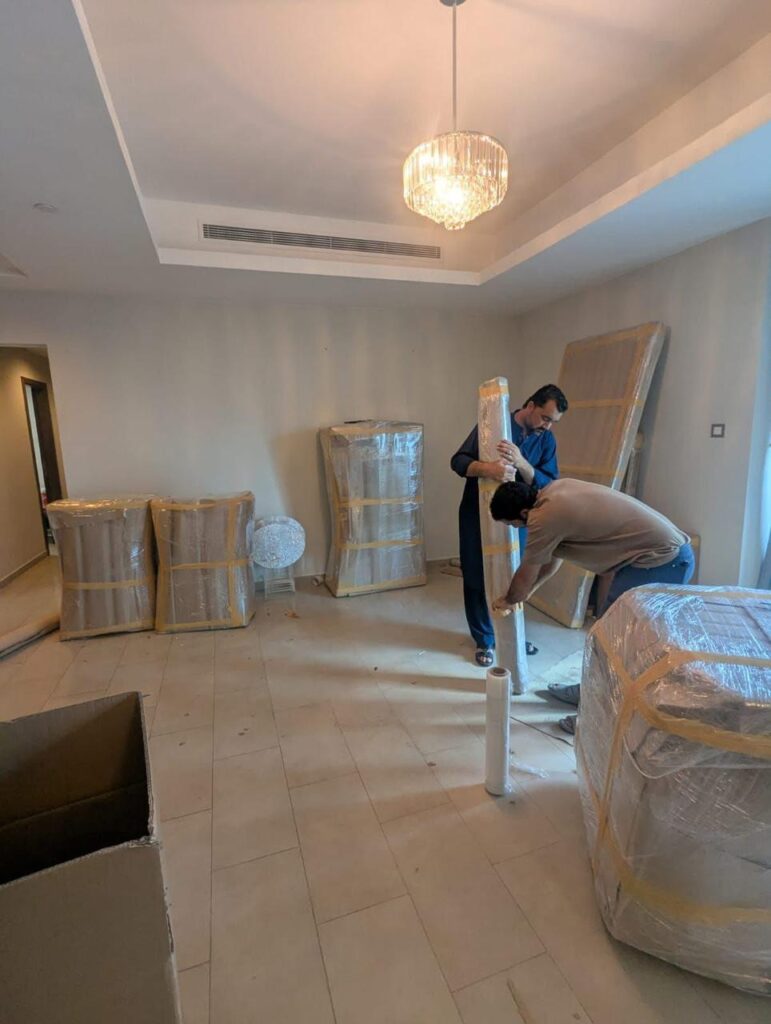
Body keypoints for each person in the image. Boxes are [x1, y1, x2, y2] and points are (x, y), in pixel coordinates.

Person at [489, 478, 695, 733]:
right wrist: (527, 593)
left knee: (618, 645)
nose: (516, 528)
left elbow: (526, 572)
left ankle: (595, 718)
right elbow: (551, 560)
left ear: (523, 513)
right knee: (608, 638)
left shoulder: (543, 518)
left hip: (661, 560)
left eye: (512, 524)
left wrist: (509, 599)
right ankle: (589, 691)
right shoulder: (552, 493)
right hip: (656, 557)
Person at [450, 384, 568, 667]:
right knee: (476, 574)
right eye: (545, 417)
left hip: (520, 519)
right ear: (530, 405)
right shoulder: (493, 425)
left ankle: (512, 634)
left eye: (553, 421)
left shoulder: (546, 439)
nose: (548, 426)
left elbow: (548, 483)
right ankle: (484, 639)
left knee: (515, 576)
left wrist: (522, 463)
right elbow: (458, 461)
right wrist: (488, 469)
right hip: (479, 514)